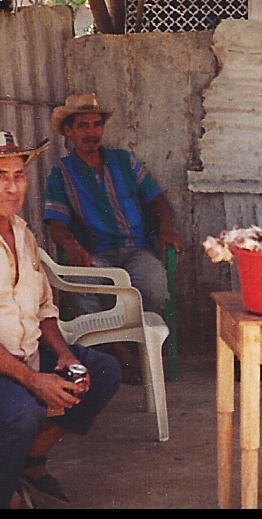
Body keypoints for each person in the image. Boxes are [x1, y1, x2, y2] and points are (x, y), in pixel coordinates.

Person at [0, 131, 120, 508]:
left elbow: (43, 308)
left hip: (20, 357)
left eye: (19, 175)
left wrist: (63, 355)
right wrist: (33, 379)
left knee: (102, 370)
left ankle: (29, 459)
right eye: (0, 176)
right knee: (21, 410)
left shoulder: (22, 232)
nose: (13, 187)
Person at [43, 94, 181, 378]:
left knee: (154, 285)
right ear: (68, 131)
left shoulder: (124, 161)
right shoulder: (62, 172)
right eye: (83, 126)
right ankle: (118, 351)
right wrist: (70, 244)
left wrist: (165, 227)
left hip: (136, 250)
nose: (91, 133)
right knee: (79, 288)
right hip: (97, 255)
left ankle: (138, 345)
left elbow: (157, 201)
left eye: (96, 125)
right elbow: (54, 222)